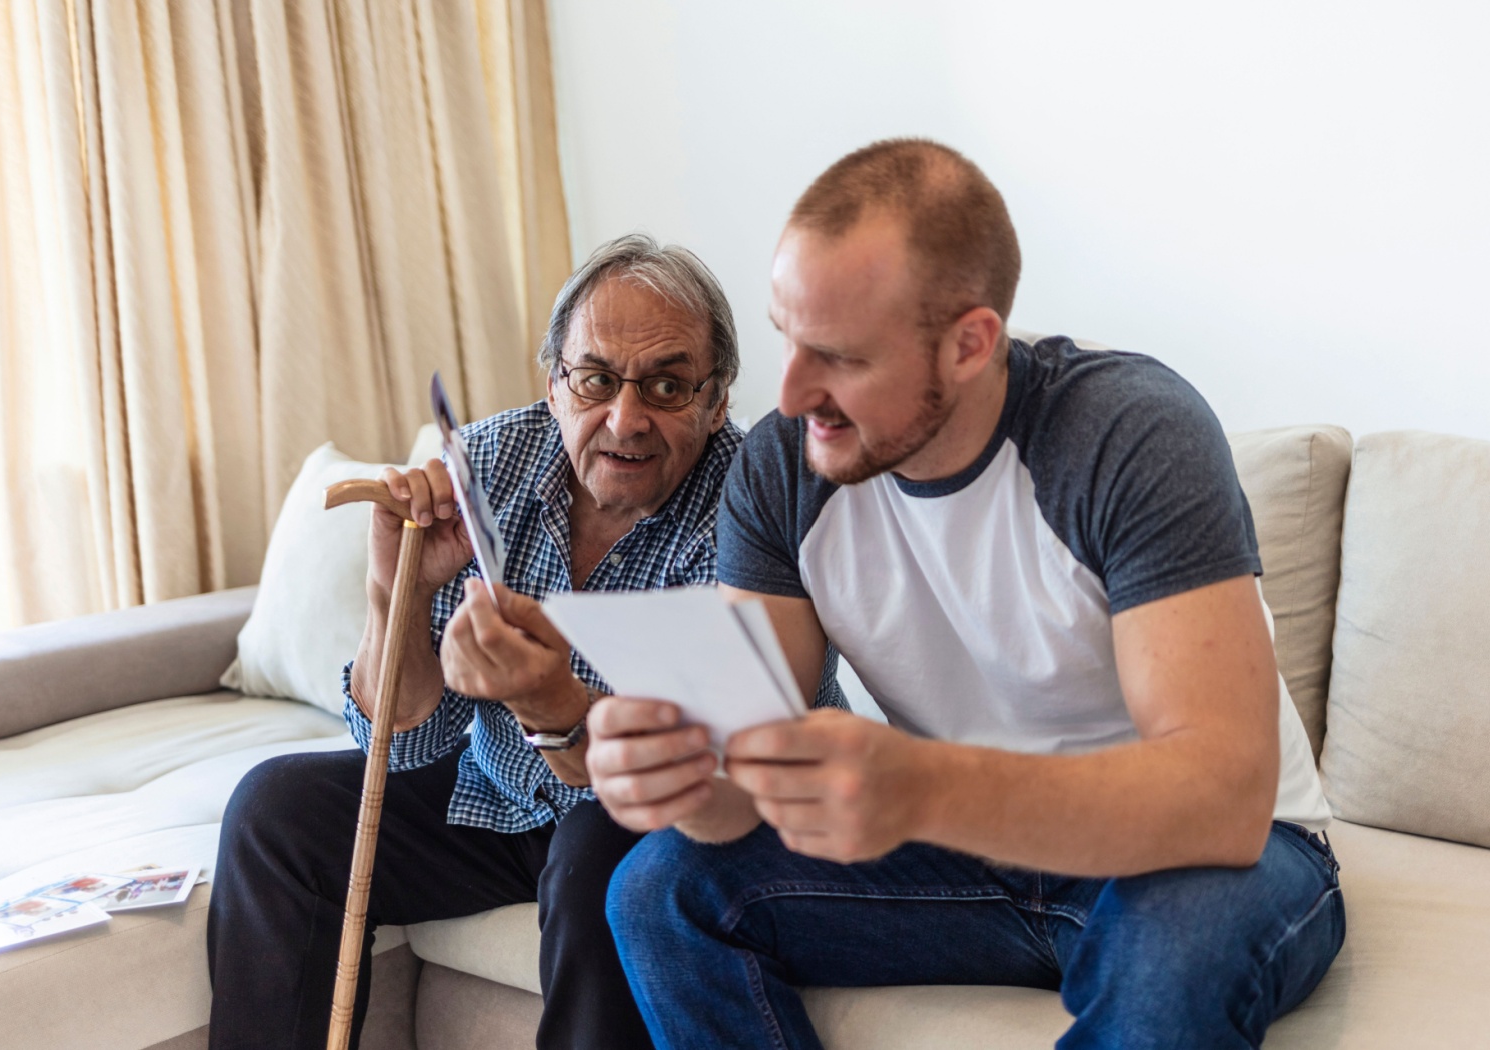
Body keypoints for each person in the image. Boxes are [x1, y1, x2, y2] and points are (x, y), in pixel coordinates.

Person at [586, 140, 1344, 1049]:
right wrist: (674, 776)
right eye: (788, 338)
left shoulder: (1128, 433)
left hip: (1215, 854)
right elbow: (740, 789)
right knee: (660, 889)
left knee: (1167, 957)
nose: (789, 396)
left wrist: (921, 786)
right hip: (974, 859)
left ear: (970, 344)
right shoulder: (782, 468)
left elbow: (1220, 797)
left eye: (841, 357)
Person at [206, 234, 784, 1050]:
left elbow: (690, 770)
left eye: (667, 385)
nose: (626, 418)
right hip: (502, 796)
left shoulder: (751, 501)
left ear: (716, 400)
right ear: (553, 385)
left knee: (601, 855)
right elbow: (399, 748)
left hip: (664, 808)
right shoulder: (487, 461)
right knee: (276, 812)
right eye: (595, 380)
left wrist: (545, 698)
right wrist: (396, 591)